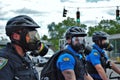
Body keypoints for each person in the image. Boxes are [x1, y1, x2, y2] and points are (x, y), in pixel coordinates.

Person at [0, 15, 48, 80]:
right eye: (30, 36)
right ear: (16, 36)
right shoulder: (4, 59)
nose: (35, 39)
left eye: (35, 35)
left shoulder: (26, 58)